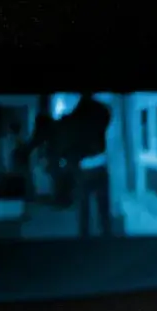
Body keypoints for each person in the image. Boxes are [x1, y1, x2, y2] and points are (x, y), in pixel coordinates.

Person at [60, 93, 113, 238]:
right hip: (99, 164)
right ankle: (106, 237)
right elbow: (108, 115)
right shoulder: (101, 111)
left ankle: (85, 239)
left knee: (84, 209)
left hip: (83, 168)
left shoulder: (73, 117)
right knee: (103, 209)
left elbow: (67, 145)